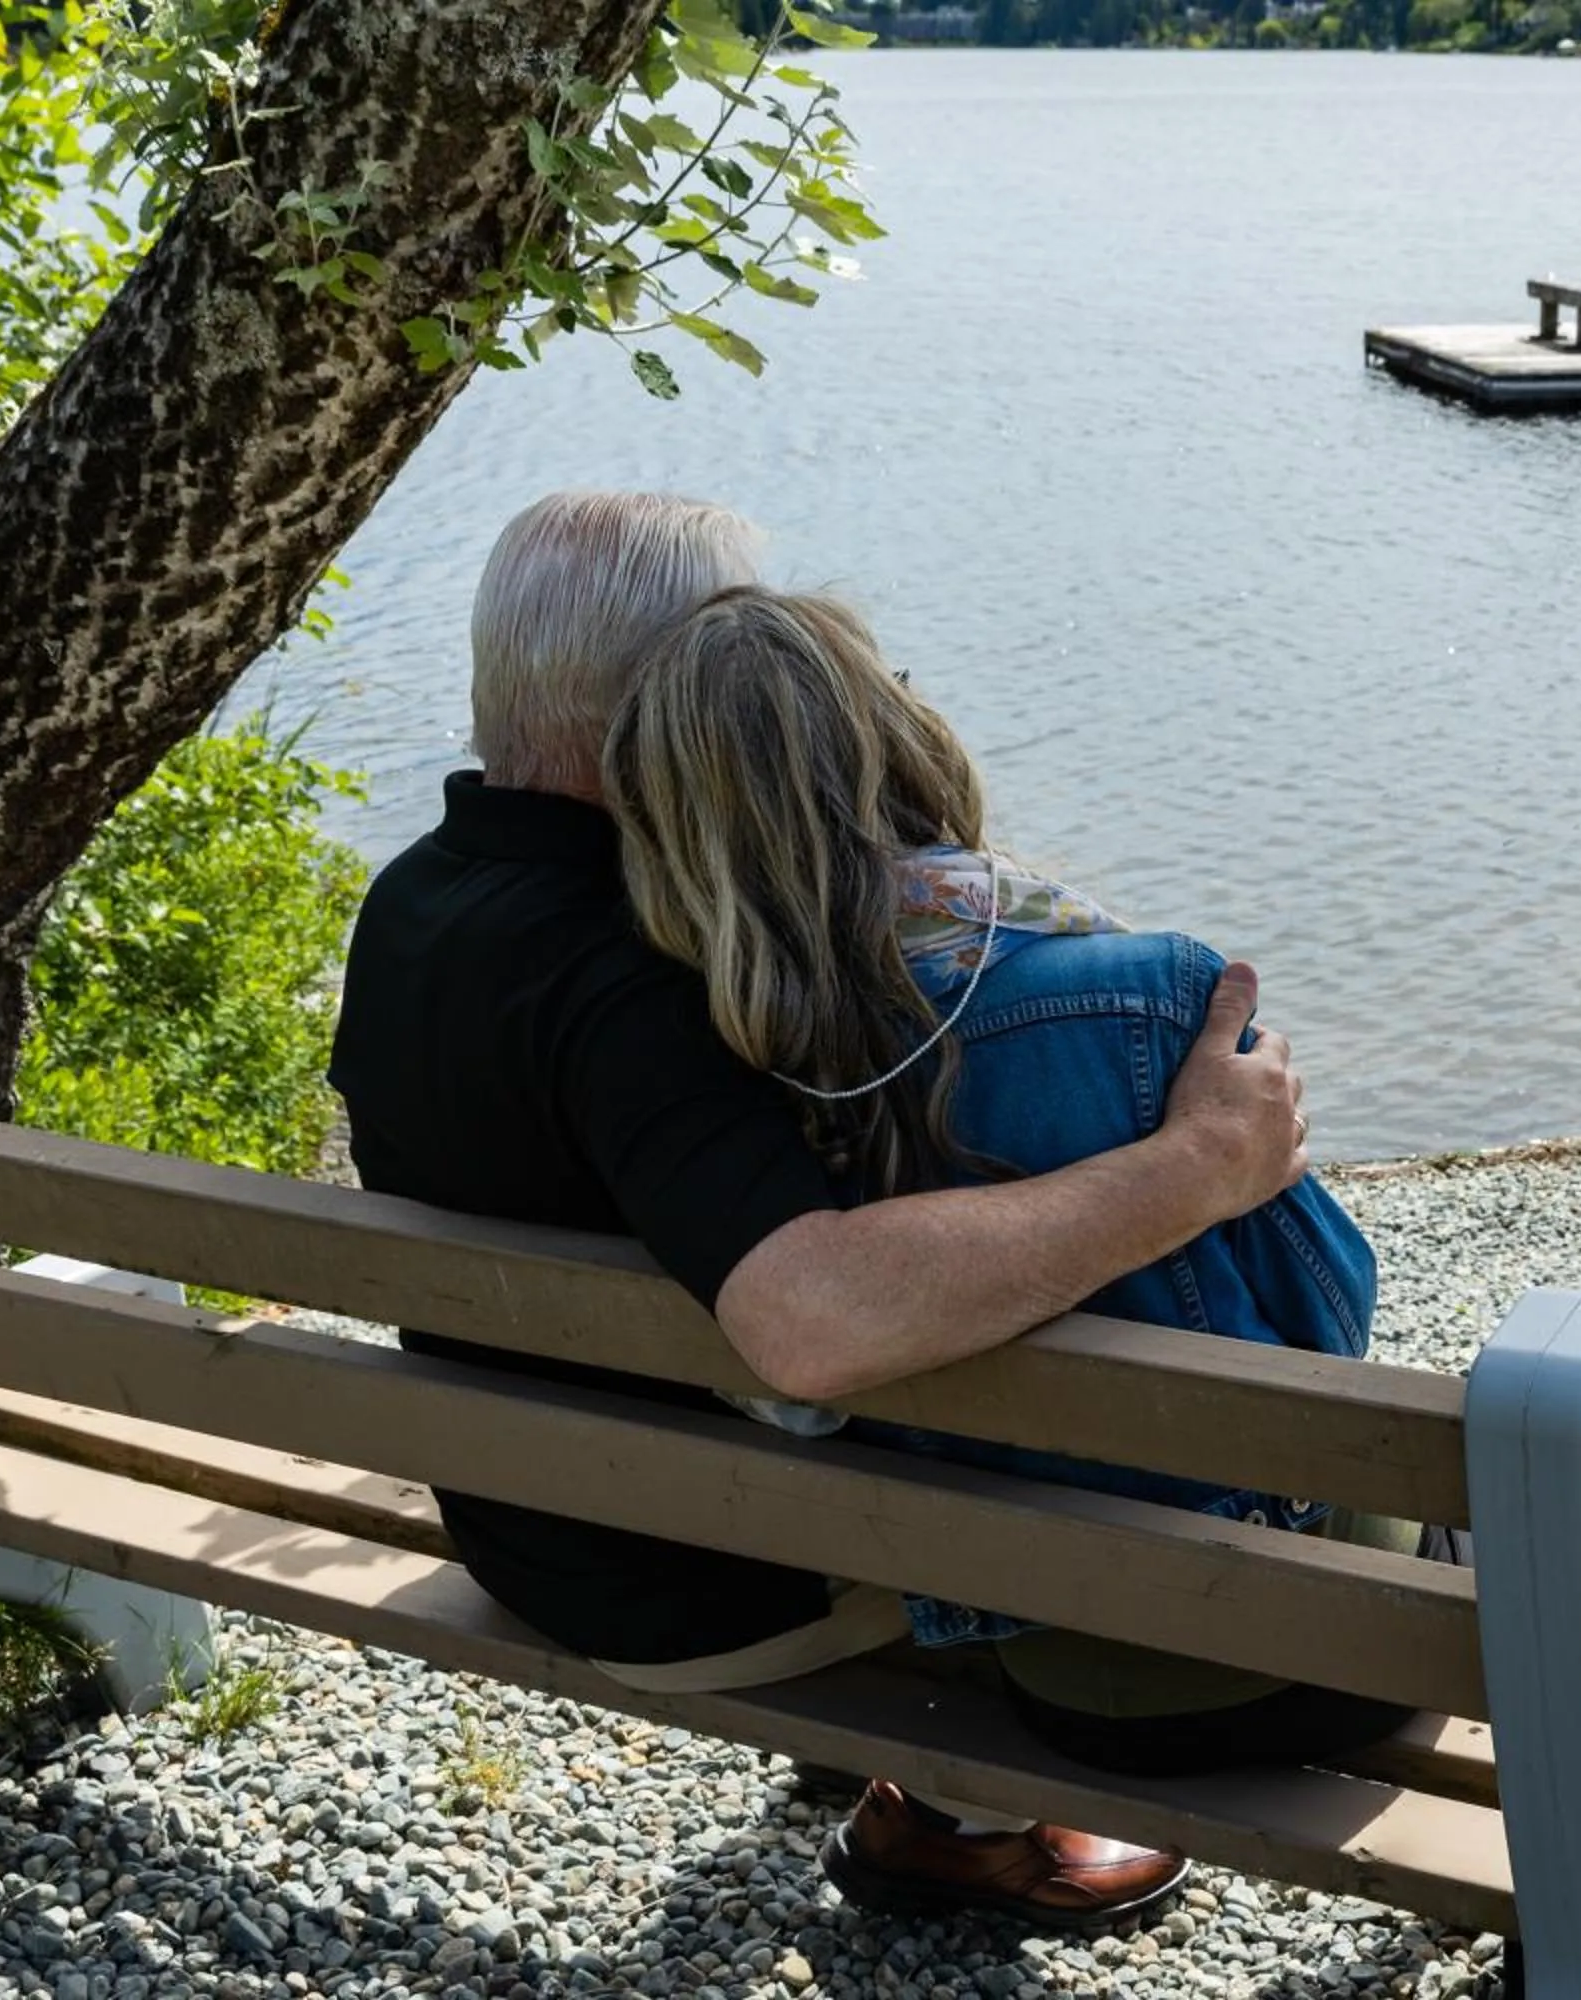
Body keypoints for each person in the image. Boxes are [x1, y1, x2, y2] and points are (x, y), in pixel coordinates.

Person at [327, 492, 1308, 1929]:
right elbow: (809, 1322)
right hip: (699, 1580)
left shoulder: (420, 895)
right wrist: (1196, 1170)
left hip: (532, 1517)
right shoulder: (641, 972)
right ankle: (960, 1816)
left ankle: (943, 1799)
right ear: (691, 697)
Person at [596, 584, 1465, 1840]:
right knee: (1530, 1513)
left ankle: (939, 1836)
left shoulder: (699, 1071)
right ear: (893, 735)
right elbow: (1337, 1308)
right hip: (1285, 1662)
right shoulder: (1151, 1001)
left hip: (1030, 1664)